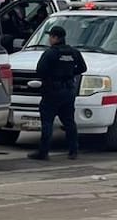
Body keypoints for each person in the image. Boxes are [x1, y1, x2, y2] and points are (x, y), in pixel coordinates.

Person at [29, 25, 88, 161]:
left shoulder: (50, 53)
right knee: (69, 122)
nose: (49, 39)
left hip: (52, 92)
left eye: (50, 36)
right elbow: (83, 68)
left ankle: (43, 152)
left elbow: (40, 70)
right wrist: (69, 74)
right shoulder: (73, 52)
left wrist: (52, 76)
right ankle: (73, 151)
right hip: (68, 91)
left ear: (55, 37)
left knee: (47, 122)